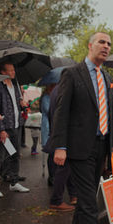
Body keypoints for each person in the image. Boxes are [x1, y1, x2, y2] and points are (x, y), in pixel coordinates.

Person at [51, 32, 113, 224]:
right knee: (89, 201)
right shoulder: (72, 74)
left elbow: (109, 112)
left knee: (87, 195)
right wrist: (60, 146)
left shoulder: (108, 79)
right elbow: (61, 112)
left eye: (109, 44)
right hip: (79, 148)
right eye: (102, 42)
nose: (106, 46)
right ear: (90, 45)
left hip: (101, 147)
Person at [0, 62, 30, 195]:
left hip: (16, 126)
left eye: (14, 70)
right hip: (5, 128)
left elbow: (16, 104)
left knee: (14, 155)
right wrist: (1, 130)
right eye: (10, 70)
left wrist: (22, 104)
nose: (13, 72)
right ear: (3, 72)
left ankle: (14, 182)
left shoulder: (15, 85)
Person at [44, 84, 77, 212]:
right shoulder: (63, 90)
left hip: (61, 134)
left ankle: (73, 195)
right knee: (64, 168)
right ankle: (56, 200)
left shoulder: (55, 91)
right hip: (65, 134)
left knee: (67, 168)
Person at [40, 84, 56, 186]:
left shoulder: (55, 96)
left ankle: (55, 175)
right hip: (48, 126)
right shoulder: (46, 97)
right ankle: (52, 177)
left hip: (55, 126)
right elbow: (48, 110)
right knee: (51, 152)